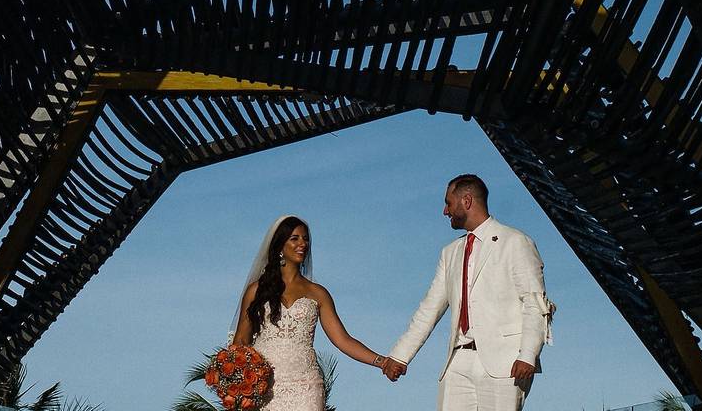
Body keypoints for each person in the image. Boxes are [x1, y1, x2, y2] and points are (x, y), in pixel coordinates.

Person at [382, 174, 553, 411]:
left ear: (467, 201)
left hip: (505, 362)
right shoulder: (449, 253)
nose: (444, 211)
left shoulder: (515, 241)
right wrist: (400, 355)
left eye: (448, 203)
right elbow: (429, 308)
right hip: (457, 362)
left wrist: (528, 354)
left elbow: (535, 303)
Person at [231, 215, 387, 410]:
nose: (302, 244)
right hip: (263, 388)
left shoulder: (318, 293)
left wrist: (382, 362)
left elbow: (343, 340)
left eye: (305, 239)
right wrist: (236, 381)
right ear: (280, 246)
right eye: (294, 238)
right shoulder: (256, 291)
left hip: (306, 388)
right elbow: (241, 342)